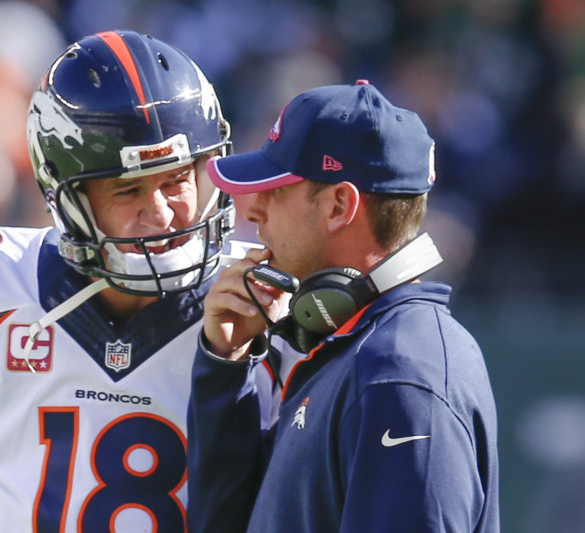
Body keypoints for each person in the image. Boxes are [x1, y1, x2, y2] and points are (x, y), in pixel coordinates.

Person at [0, 29, 258, 532]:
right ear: (68, 200)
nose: (161, 214)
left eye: (177, 180)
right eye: (127, 189)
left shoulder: (261, 307)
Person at [187, 80, 500, 532]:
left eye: (275, 189)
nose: (252, 210)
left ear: (338, 205)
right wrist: (227, 366)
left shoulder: (399, 373)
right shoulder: (360, 351)